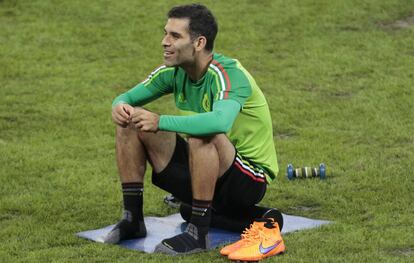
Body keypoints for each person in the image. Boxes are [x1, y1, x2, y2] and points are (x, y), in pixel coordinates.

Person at [104, 3, 279, 255]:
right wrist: (118, 106)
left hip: (247, 179)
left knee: (203, 133)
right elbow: (125, 98)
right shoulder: (174, 72)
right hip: (204, 171)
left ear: (199, 43)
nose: (165, 41)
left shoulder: (228, 74)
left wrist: (160, 120)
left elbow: (219, 123)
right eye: (165, 33)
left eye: (175, 36)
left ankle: (198, 233)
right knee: (130, 120)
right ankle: (133, 219)